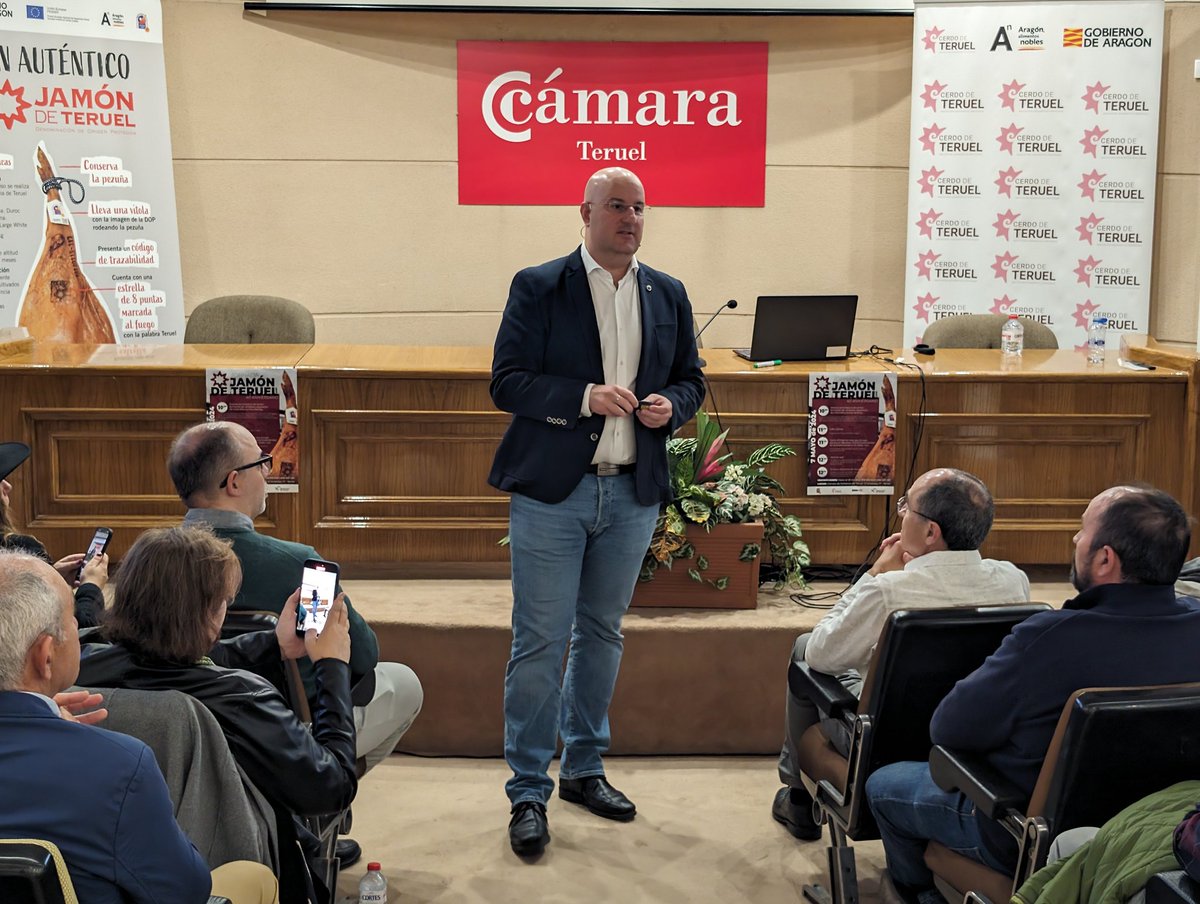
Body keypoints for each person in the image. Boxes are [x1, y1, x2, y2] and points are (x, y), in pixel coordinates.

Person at [489, 166, 705, 857]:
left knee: (602, 633)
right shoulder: (539, 285)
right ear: (583, 213)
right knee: (541, 641)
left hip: (632, 490)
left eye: (640, 207)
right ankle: (528, 790)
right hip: (556, 491)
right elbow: (508, 382)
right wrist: (583, 397)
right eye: (617, 206)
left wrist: (674, 406)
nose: (631, 218)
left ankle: (584, 768)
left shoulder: (667, 292)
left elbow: (693, 378)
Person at [865, 485, 1200, 904]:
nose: (1076, 540)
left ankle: (920, 893)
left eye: (1082, 530)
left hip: (1017, 832)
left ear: (1104, 558)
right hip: (1154, 825)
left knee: (882, 785)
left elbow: (948, 728)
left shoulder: (1050, 637)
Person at [76, 525, 357, 904]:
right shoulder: (243, 698)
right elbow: (331, 786)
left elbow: (162, 663)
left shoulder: (81, 664)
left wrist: (273, 644)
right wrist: (333, 666)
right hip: (223, 871)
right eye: (224, 600)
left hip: (110, 866)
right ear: (209, 614)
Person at [0, 548, 278, 904]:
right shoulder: (117, 766)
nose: (80, 626)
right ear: (46, 655)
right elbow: (186, 891)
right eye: (72, 616)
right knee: (252, 877)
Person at [773, 468, 1030, 840]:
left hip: (883, 738)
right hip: (969, 734)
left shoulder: (890, 590)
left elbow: (822, 653)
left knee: (803, 647)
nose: (901, 514)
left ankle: (799, 799)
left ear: (930, 532)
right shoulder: (1013, 580)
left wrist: (876, 573)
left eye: (905, 507)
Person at [166, 420, 423, 779]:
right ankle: (320, 809)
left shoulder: (150, 562)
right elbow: (363, 656)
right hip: (281, 735)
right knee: (404, 683)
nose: (267, 473)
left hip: (181, 733)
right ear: (234, 482)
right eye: (261, 463)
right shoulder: (297, 565)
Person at [0, 441, 107, 626]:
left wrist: (48, 577)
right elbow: (80, 632)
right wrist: (91, 587)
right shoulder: (18, 550)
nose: (8, 486)